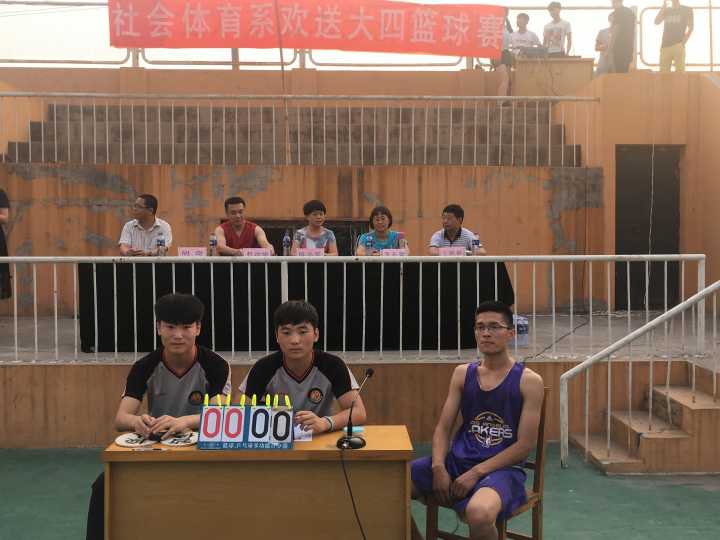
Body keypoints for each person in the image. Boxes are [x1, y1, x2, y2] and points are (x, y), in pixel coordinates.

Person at [85, 293, 231, 540]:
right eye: (170, 327)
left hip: (203, 449)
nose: (178, 335)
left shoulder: (216, 365)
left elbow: (222, 416)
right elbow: (121, 419)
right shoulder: (144, 366)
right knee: (103, 486)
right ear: (158, 328)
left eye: (186, 327)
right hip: (158, 449)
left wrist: (183, 421)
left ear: (198, 328)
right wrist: (138, 421)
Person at [410, 301, 544, 540]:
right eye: (480, 327)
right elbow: (443, 428)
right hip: (457, 463)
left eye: (494, 327)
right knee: (388, 486)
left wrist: (476, 472)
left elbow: (524, 445)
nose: (486, 333)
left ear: (511, 333)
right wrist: (438, 467)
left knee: (479, 513)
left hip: (502, 470)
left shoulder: (529, 381)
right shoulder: (463, 373)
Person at [239, 300, 366, 435]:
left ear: (316, 335)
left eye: (302, 332)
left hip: (318, 437)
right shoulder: (263, 368)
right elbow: (239, 412)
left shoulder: (333, 366)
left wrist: (325, 423)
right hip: (276, 439)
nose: (295, 340)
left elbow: (359, 412)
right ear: (277, 336)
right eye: (286, 333)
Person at [655, 0, 693, 73]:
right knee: (663, 75)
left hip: (678, 45)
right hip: (665, 46)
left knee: (680, 74)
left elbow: (691, 27)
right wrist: (662, 8)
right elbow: (656, 21)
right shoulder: (667, 10)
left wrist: (682, 43)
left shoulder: (687, 9)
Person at [609, 0, 636, 73]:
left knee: (618, 73)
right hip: (628, 47)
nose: (612, 5)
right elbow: (633, 31)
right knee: (625, 72)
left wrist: (609, 49)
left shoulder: (617, 12)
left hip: (619, 47)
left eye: (612, 2)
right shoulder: (630, 12)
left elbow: (615, 31)